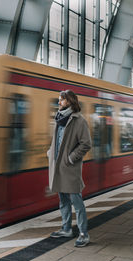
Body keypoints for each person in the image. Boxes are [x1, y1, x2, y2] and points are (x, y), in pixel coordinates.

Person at [47, 90, 92, 247]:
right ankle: (66, 229)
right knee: (63, 200)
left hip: (70, 168)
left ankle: (83, 234)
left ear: (70, 101)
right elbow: (57, 141)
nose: (58, 103)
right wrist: (50, 153)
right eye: (59, 100)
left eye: (61, 100)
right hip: (58, 166)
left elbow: (86, 143)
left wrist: (71, 158)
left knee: (76, 202)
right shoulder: (59, 118)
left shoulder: (79, 120)